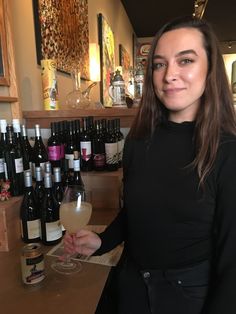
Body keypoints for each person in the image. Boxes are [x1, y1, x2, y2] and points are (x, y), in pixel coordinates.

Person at [64, 16, 236, 314]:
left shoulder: (227, 151)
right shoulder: (139, 141)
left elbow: (232, 263)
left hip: (188, 294)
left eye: (185, 61)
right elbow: (136, 212)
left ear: (210, 71)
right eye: (159, 64)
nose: (169, 74)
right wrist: (102, 242)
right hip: (131, 281)